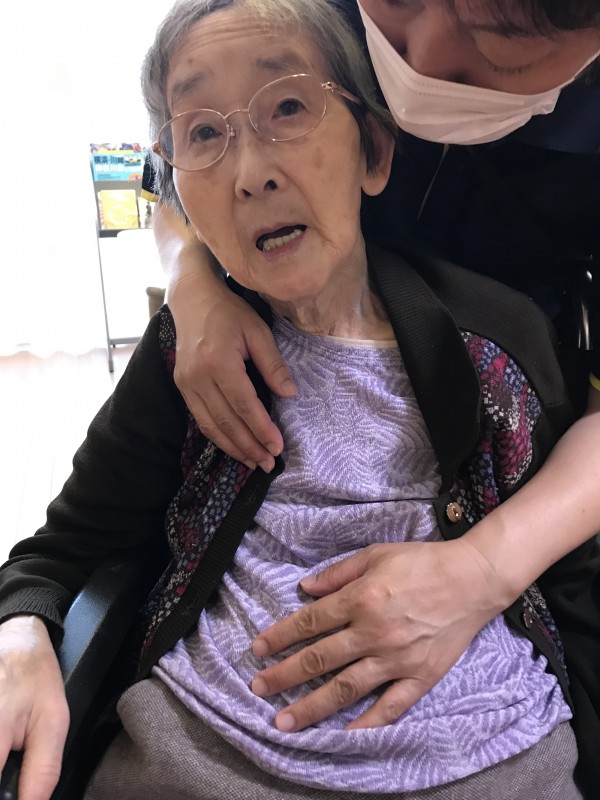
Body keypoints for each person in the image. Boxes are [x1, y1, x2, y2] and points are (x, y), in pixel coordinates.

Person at [1, 1, 599, 799]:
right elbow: (60, 551)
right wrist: (191, 286)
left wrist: (488, 567)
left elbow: (575, 585)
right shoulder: (190, 355)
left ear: (374, 150)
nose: (250, 173)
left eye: (288, 108)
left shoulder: (501, 353)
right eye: (204, 135)